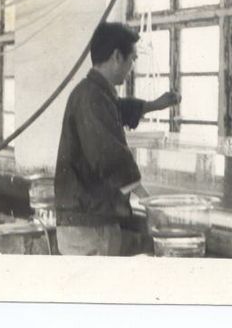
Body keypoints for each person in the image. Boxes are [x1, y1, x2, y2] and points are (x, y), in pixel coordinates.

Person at [54, 22, 180, 256]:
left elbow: (117, 109)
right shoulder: (92, 97)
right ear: (116, 57)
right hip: (88, 227)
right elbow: (108, 156)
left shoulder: (94, 93)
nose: (132, 67)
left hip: (88, 222)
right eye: (132, 59)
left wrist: (155, 105)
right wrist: (148, 202)